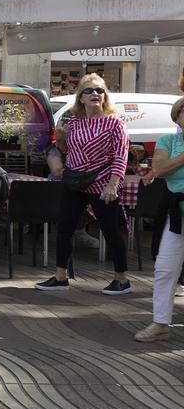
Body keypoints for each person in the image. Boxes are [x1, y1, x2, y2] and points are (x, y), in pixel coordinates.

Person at [35, 73, 131, 294]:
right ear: (81, 98)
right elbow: (68, 152)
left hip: (101, 183)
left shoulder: (115, 123)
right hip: (74, 181)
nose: (95, 94)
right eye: (89, 90)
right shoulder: (75, 122)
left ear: (105, 96)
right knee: (65, 227)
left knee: (110, 230)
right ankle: (60, 277)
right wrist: (60, 139)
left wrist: (113, 184)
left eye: (99, 90)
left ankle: (122, 279)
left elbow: (121, 155)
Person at [135, 96, 184, 342]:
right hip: (176, 213)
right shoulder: (169, 140)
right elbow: (161, 169)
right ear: (177, 117)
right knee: (165, 268)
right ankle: (160, 323)